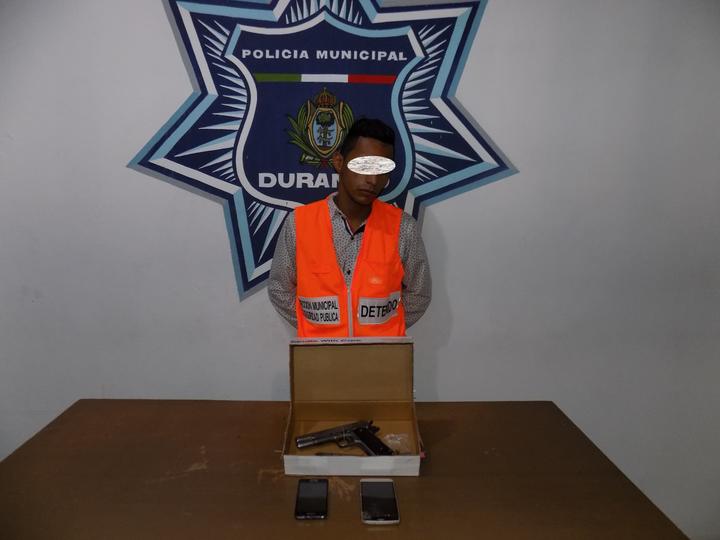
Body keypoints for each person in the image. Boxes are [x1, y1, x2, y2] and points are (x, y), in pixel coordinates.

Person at [268, 118, 431, 337]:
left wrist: (384, 329)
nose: (373, 179)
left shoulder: (403, 228)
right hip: (319, 353)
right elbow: (279, 287)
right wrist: (316, 328)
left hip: (381, 353)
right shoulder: (298, 223)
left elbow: (420, 293)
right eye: (363, 166)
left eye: (382, 169)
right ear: (339, 162)